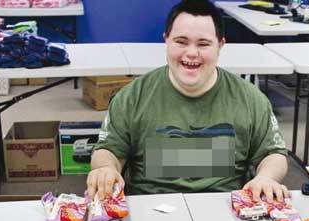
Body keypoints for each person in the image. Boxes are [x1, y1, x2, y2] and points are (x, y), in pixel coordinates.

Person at [88, 0, 289, 203]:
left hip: (226, 208)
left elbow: (273, 154)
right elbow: (108, 150)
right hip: (151, 207)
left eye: (203, 44)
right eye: (181, 42)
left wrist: (266, 177)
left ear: (220, 45)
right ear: (166, 40)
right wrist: (106, 168)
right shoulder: (131, 97)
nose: (192, 53)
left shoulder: (251, 100)